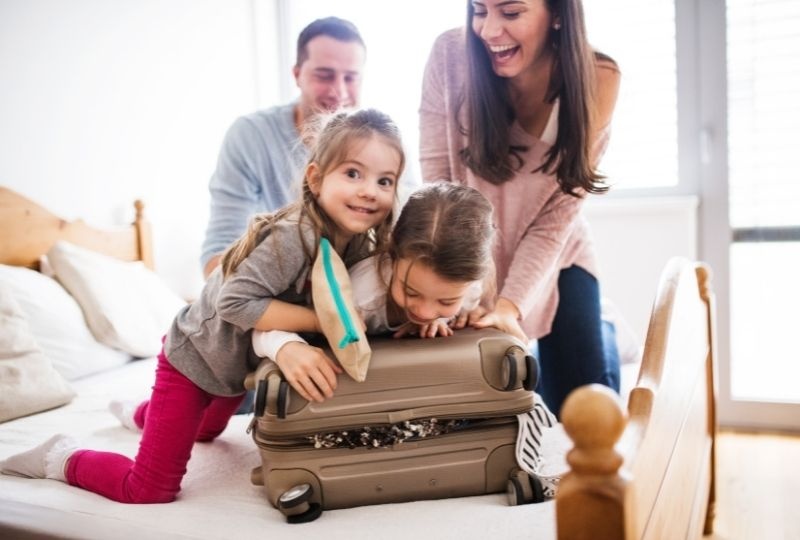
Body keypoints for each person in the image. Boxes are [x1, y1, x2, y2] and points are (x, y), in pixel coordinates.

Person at [0, 108, 405, 503]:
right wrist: (323, 322)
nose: (370, 190)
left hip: (235, 369)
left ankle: (141, 414)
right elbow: (236, 303)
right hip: (193, 360)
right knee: (148, 490)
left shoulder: (358, 246)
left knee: (207, 432)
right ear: (316, 179)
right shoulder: (292, 237)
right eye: (353, 173)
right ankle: (61, 456)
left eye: (384, 180)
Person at [418, 0, 622, 416]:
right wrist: (468, 286)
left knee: (583, 407)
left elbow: (556, 220)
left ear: (559, 14)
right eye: (479, 10)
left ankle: (605, 327)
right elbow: (439, 183)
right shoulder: (450, 56)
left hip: (557, 255)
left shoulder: (597, 78)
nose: (490, 31)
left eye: (511, 13)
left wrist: (509, 307)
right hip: (472, 249)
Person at [201, 16, 367, 279]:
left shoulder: (382, 143)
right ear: (297, 75)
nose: (339, 91)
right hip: (273, 291)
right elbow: (218, 255)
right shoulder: (250, 136)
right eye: (324, 76)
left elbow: (407, 227)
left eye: (350, 78)